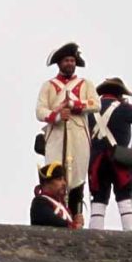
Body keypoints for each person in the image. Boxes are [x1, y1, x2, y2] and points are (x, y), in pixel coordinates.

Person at [35, 42, 99, 226]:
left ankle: (76, 220)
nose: (70, 63)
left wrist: (75, 105)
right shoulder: (48, 86)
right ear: (60, 64)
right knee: (55, 175)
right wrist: (56, 115)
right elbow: (40, 111)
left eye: (72, 60)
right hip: (56, 135)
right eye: (66, 60)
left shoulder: (86, 84)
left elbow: (96, 104)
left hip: (78, 137)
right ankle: (57, 216)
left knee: (77, 178)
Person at [88, 77, 132, 231]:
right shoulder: (124, 108)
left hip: (97, 162)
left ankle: (95, 232)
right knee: (124, 199)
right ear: (120, 93)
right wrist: (125, 106)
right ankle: (129, 232)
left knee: (98, 201)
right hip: (120, 160)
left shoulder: (90, 110)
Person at [30, 162, 80, 229]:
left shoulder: (64, 207)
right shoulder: (39, 202)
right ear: (46, 182)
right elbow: (50, 220)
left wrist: (76, 222)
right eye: (59, 179)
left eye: (64, 179)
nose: (64, 183)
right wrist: (73, 225)